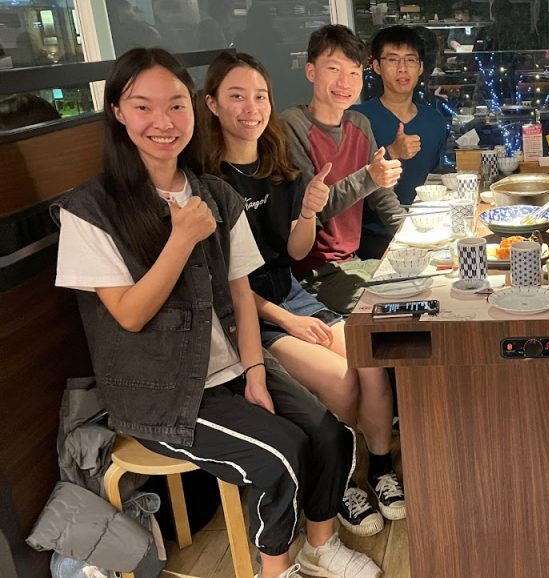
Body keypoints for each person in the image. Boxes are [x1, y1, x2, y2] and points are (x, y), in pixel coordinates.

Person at [52, 47, 381, 578]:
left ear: (192, 109)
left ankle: (321, 548)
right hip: (161, 390)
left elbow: (240, 294)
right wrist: (181, 238)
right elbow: (129, 315)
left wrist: (256, 372)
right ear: (117, 112)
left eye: (175, 105)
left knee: (332, 433)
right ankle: (277, 569)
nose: (163, 121)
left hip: (232, 368)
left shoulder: (215, 195)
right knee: (280, 457)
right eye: (143, 107)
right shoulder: (91, 210)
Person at [201, 50, 405, 538]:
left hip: (288, 290)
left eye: (260, 96)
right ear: (211, 104)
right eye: (236, 96)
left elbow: (293, 250)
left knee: (371, 362)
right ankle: (344, 482)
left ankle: (380, 469)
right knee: (341, 380)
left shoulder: (275, 165)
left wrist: (310, 210)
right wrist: (287, 320)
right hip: (249, 314)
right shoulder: (207, 181)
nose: (251, 108)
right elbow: (223, 284)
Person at [281, 24, 403, 315]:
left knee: (427, 285)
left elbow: (381, 197)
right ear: (311, 71)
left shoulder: (358, 124)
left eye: (354, 72)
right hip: (312, 274)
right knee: (396, 308)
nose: (344, 82)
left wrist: (412, 236)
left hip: (353, 262)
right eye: (333, 69)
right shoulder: (290, 126)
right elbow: (313, 211)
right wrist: (368, 177)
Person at [352, 25, 449, 259]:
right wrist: (391, 152)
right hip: (372, 240)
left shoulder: (434, 121)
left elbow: (436, 177)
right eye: (393, 60)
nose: (402, 69)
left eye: (410, 60)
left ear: (421, 67)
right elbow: (348, 186)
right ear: (376, 66)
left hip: (428, 231)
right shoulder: (357, 119)